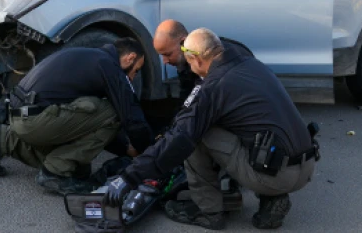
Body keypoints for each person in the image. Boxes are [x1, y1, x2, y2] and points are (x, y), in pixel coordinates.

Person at [105, 29, 317, 230]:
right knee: (239, 122)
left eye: (189, 63)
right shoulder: (247, 62)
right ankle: (271, 197)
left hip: (274, 175)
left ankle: (208, 211)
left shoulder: (214, 87)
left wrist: (129, 177)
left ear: (196, 59)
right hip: (305, 167)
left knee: (196, 133)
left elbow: (181, 136)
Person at [0, 38, 154, 196]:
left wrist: (125, 148)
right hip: (36, 121)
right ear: (130, 58)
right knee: (115, 111)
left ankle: (3, 138)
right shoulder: (109, 67)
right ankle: (55, 173)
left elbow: (91, 124)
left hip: (19, 116)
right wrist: (150, 151)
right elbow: (132, 117)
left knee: (79, 170)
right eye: (136, 71)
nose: (133, 77)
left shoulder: (90, 56)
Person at [153, 20, 253, 100]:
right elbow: (186, 101)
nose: (165, 61)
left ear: (183, 42)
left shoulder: (226, 61)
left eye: (168, 54)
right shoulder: (185, 61)